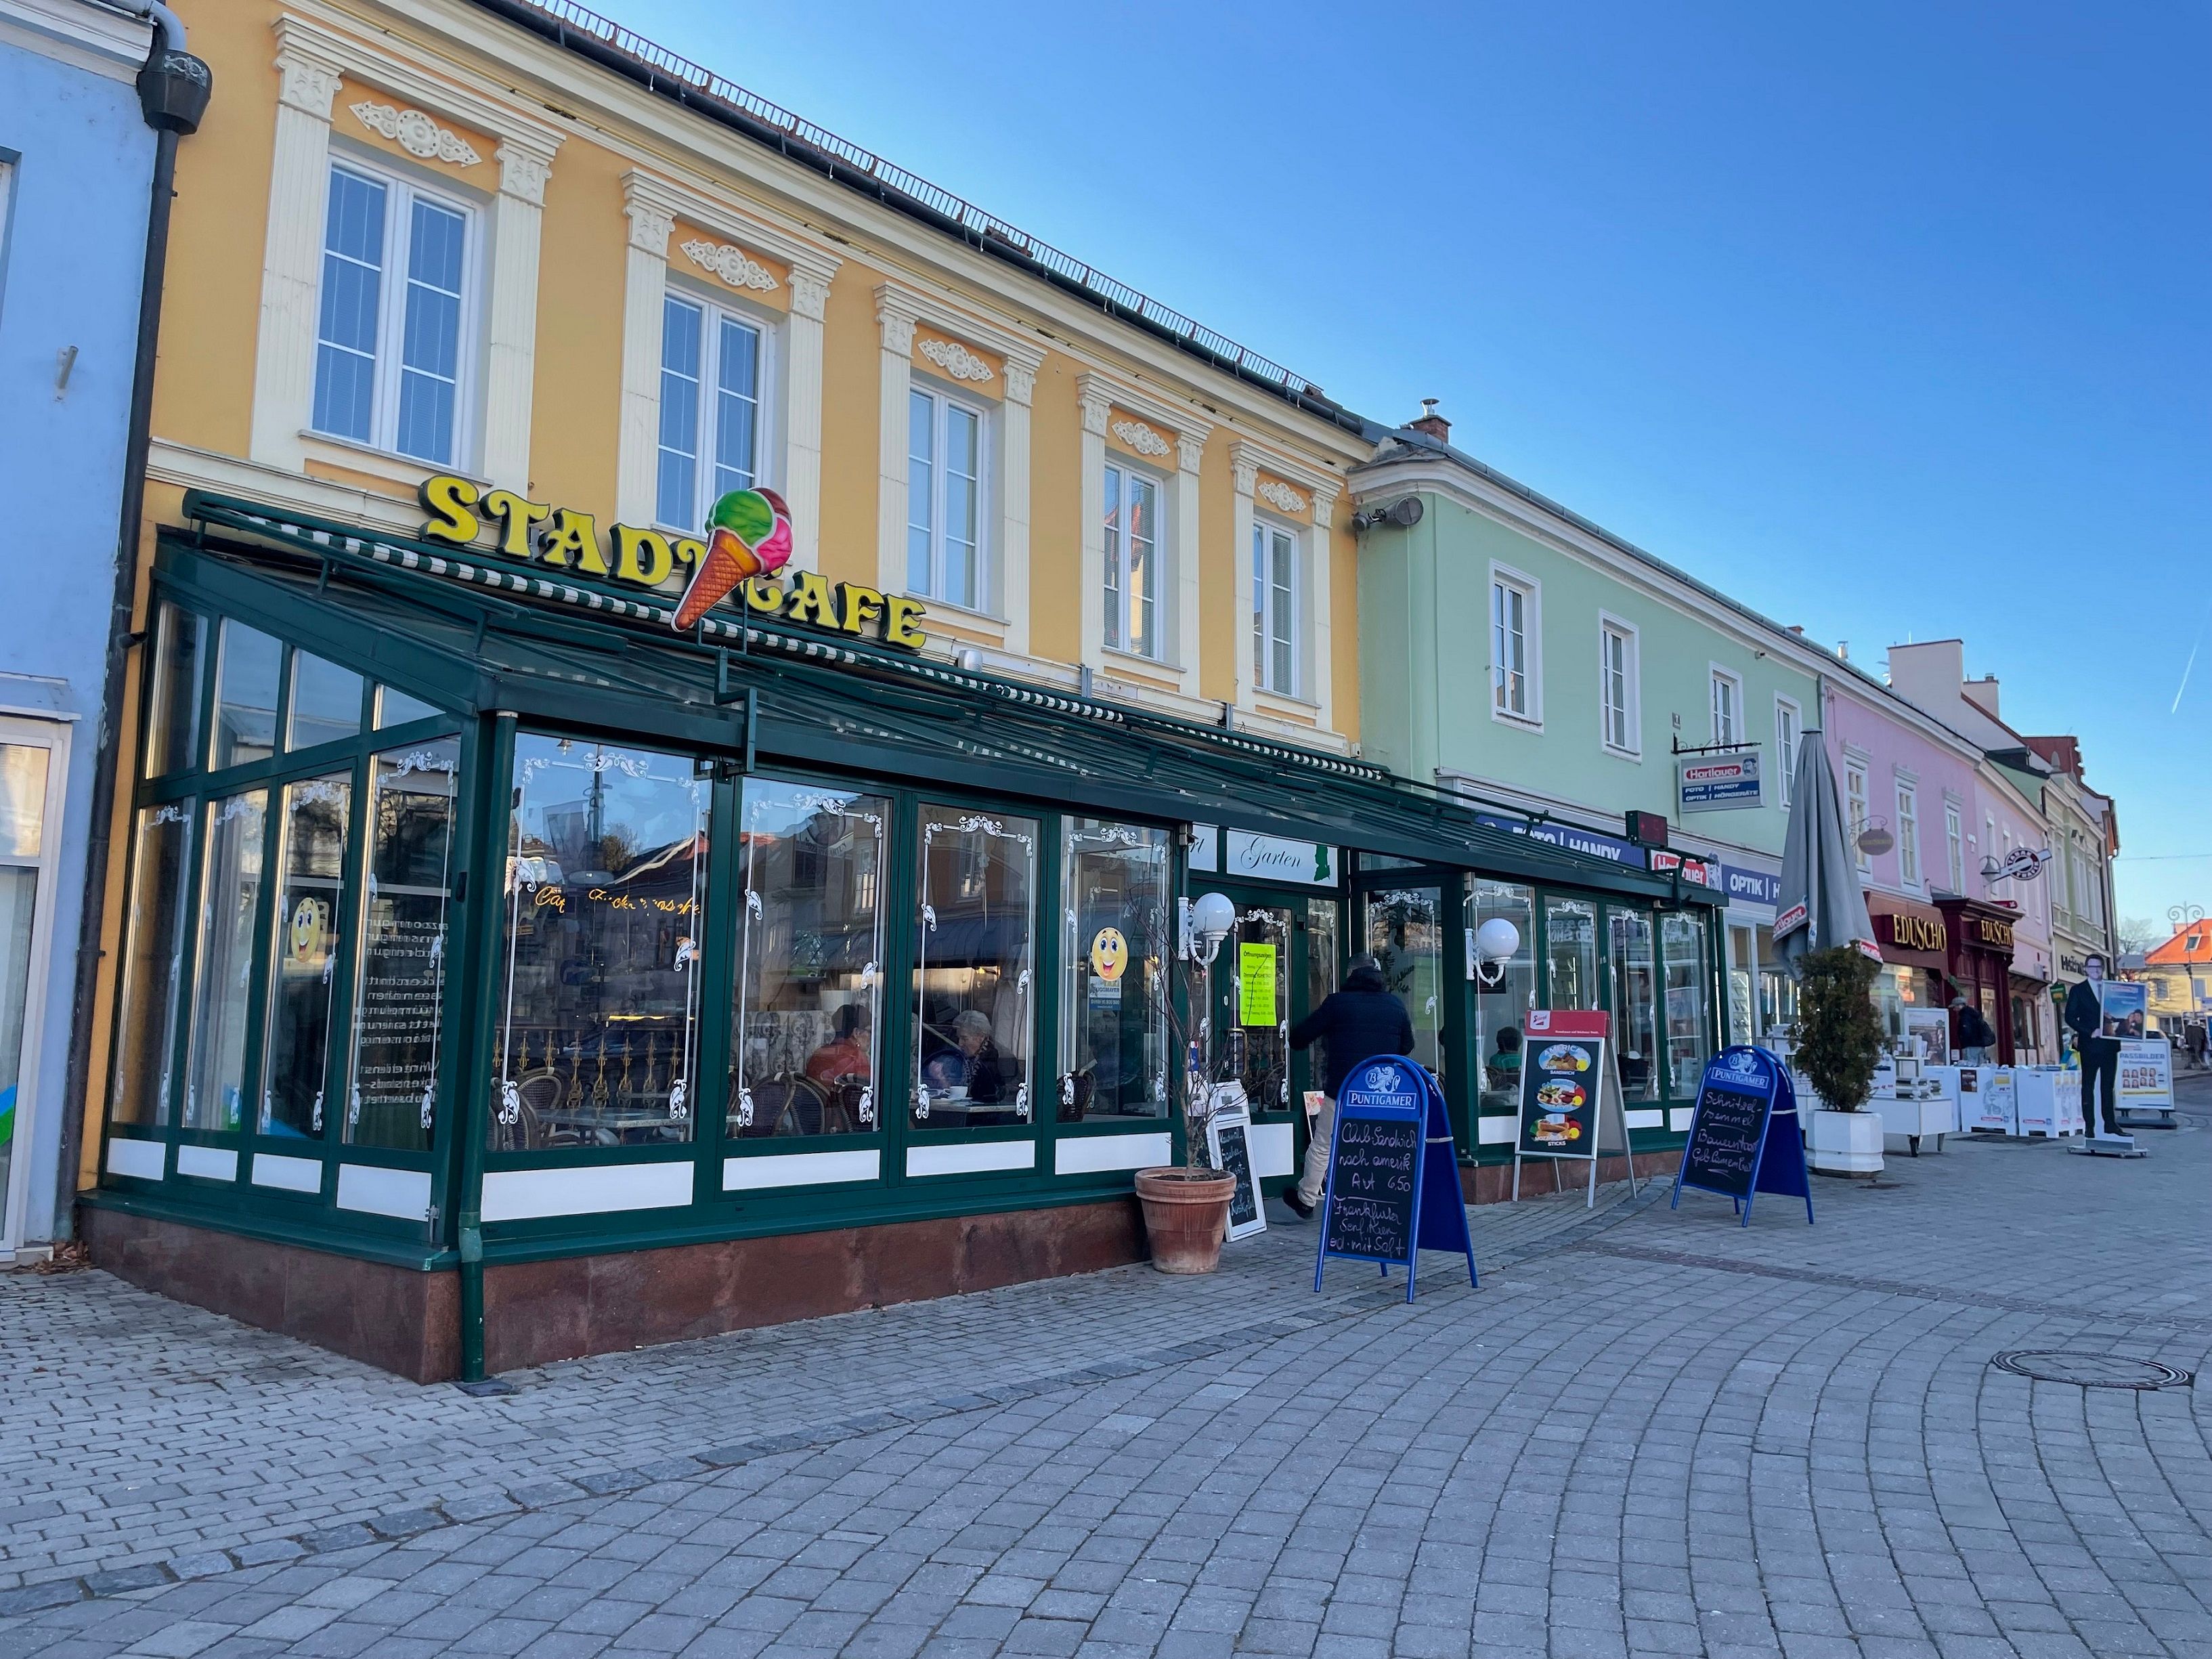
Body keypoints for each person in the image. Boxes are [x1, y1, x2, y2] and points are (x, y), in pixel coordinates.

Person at [1280, 954, 1414, 1220]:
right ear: (1377, 974)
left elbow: (1300, 1037)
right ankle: (1377, 1197)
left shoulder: (1337, 1004)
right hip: (1381, 1095)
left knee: (1324, 1145)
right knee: (1379, 1146)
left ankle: (1307, 1199)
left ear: (1351, 974)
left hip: (1343, 1088)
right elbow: (1407, 1047)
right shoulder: (1395, 1005)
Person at [2062, 955, 2121, 1137]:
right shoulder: (2078, 991)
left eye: (2098, 967)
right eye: (2091, 967)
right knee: (2088, 1085)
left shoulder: (2113, 989)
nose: (2095, 970)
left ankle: (2110, 1124)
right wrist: (2089, 1031)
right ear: (2086, 969)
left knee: (2108, 1086)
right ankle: (2090, 1126)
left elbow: (2124, 1009)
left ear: (2102, 969)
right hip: (2090, 1045)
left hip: (2110, 1045)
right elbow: (2070, 1017)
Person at [804, 1003, 871, 1089]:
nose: (872, 1037)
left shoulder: (818, 1055)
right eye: (870, 1031)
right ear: (857, 1033)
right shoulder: (856, 1059)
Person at [1952, 997, 1996, 1066]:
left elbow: (1966, 1031)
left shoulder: (1965, 1016)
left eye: (1955, 1007)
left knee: (1971, 1067)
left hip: (1971, 1045)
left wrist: (1964, 1041)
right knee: (1980, 1066)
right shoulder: (1974, 1015)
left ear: (1960, 1005)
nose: (1954, 1010)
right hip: (1980, 1044)